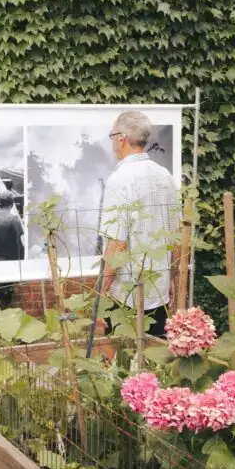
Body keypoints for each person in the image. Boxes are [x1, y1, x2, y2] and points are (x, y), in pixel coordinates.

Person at [99, 111, 180, 337]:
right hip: (158, 289)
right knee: (155, 362)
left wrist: (101, 291)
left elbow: (117, 243)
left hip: (126, 294)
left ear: (121, 138)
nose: (113, 141)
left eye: (112, 135)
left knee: (123, 361)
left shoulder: (119, 180)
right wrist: (172, 277)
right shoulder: (165, 176)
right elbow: (175, 234)